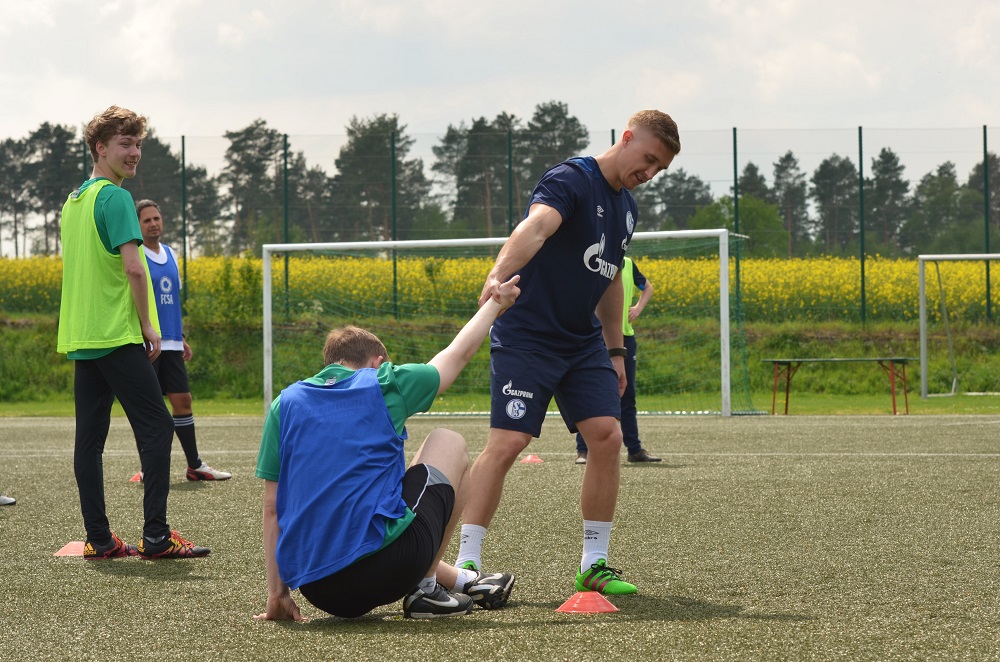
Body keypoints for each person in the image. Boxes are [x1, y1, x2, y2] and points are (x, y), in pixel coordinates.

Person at [454, 109, 680, 596]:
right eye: (648, 159)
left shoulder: (628, 209)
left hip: (582, 342)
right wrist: (496, 276)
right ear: (627, 138)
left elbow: (612, 280)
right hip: (528, 335)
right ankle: (466, 561)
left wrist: (616, 350)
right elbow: (534, 228)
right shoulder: (571, 178)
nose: (650, 173)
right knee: (508, 443)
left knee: (606, 436)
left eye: (659, 168)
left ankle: (594, 563)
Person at [254, 275, 521, 621]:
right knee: (447, 441)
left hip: (321, 591)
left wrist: (277, 594)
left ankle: (463, 580)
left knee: (381, 502)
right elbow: (456, 355)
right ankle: (425, 591)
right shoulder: (381, 381)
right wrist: (495, 304)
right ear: (378, 361)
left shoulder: (283, 404)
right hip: (392, 567)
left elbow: (272, 509)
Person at [56, 106, 209, 560]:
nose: (134, 152)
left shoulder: (73, 201)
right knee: (158, 428)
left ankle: (100, 540)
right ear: (100, 147)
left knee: (89, 439)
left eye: (138, 143)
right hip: (116, 334)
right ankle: (157, 537)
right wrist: (148, 325)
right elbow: (133, 269)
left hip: (84, 337)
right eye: (125, 143)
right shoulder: (116, 198)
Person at [132, 199, 231, 482]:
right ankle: (148, 468)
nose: (153, 223)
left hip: (173, 344)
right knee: (150, 409)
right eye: (147, 220)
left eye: (156, 218)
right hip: (149, 345)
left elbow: (172, 301)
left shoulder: (172, 254)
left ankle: (194, 466)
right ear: (138, 225)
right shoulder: (135, 254)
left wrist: (182, 336)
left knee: (183, 401)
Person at [575, 256, 661, 464]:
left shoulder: (629, 264)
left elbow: (647, 287)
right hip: (595, 337)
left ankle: (634, 449)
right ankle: (583, 450)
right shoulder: (592, 259)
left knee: (627, 394)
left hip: (625, 338)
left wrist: (638, 308)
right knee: (590, 392)